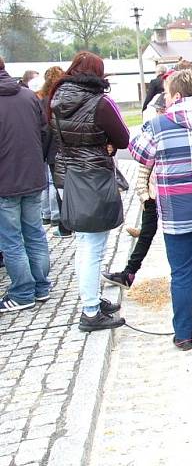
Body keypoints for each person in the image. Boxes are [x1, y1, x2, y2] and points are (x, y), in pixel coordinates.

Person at [129, 69, 192, 349]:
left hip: (176, 210)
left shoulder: (159, 124)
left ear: (175, 95)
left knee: (181, 274)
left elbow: (137, 151)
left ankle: (184, 335)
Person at [50, 51, 128, 331]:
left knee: (84, 244)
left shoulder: (56, 98)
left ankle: (91, 299)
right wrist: (105, 145)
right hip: (93, 176)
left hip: (69, 173)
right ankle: (91, 311)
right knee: (93, 247)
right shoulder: (99, 103)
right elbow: (122, 137)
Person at [0, 55, 51, 313]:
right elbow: (44, 132)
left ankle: (22, 292)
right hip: (32, 176)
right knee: (34, 233)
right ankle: (41, 286)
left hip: (5, 183)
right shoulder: (28, 96)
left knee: (11, 240)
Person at [38, 67, 66, 230]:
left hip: (53, 150)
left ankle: (61, 223)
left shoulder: (44, 100)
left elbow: (45, 130)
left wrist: (43, 153)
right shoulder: (65, 98)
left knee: (57, 186)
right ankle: (65, 221)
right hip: (67, 149)